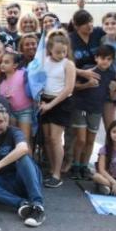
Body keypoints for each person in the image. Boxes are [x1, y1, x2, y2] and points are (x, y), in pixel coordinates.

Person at [0, 101, 46, 227]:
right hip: (4, 182)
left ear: (7, 121)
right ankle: (22, 204)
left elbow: (23, 148)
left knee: (23, 158)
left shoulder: (15, 132)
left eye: (0, 121)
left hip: (24, 178)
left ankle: (38, 206)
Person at [70, 44, 116, 181]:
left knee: (90, 140)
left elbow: (112, 96)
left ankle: (84, 166)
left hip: (96, 110)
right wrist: (87, 85)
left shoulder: (111, 74)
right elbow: (73, 87)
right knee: (81, 139)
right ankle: (75, 166)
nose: (105, 61)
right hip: (81, 107)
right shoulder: (88, 70)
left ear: (112, 61)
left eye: (109, 59)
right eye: (102, 58)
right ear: (96, 58)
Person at [38, 32, 76, 188]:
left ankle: (57, 174)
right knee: (47, 139)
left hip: (60, 102)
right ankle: (52, 168)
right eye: (57, 52)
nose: (61, 55)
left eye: (64, 52)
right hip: (44, 100)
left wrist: (50, 105)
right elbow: (39, 81)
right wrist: (41, 101)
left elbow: (68, 89)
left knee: (55, 138)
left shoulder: (68, 64)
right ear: (50, 50)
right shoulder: (44, 61)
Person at [0, 51, 33, 143]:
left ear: (15, 65)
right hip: (11, 112)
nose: (2, 64)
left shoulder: (23, 74)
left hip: (25, 111)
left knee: (24, 140)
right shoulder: (1, 81)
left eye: (6, 62)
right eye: (1, 62)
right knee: (14, 140)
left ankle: (28, 157)